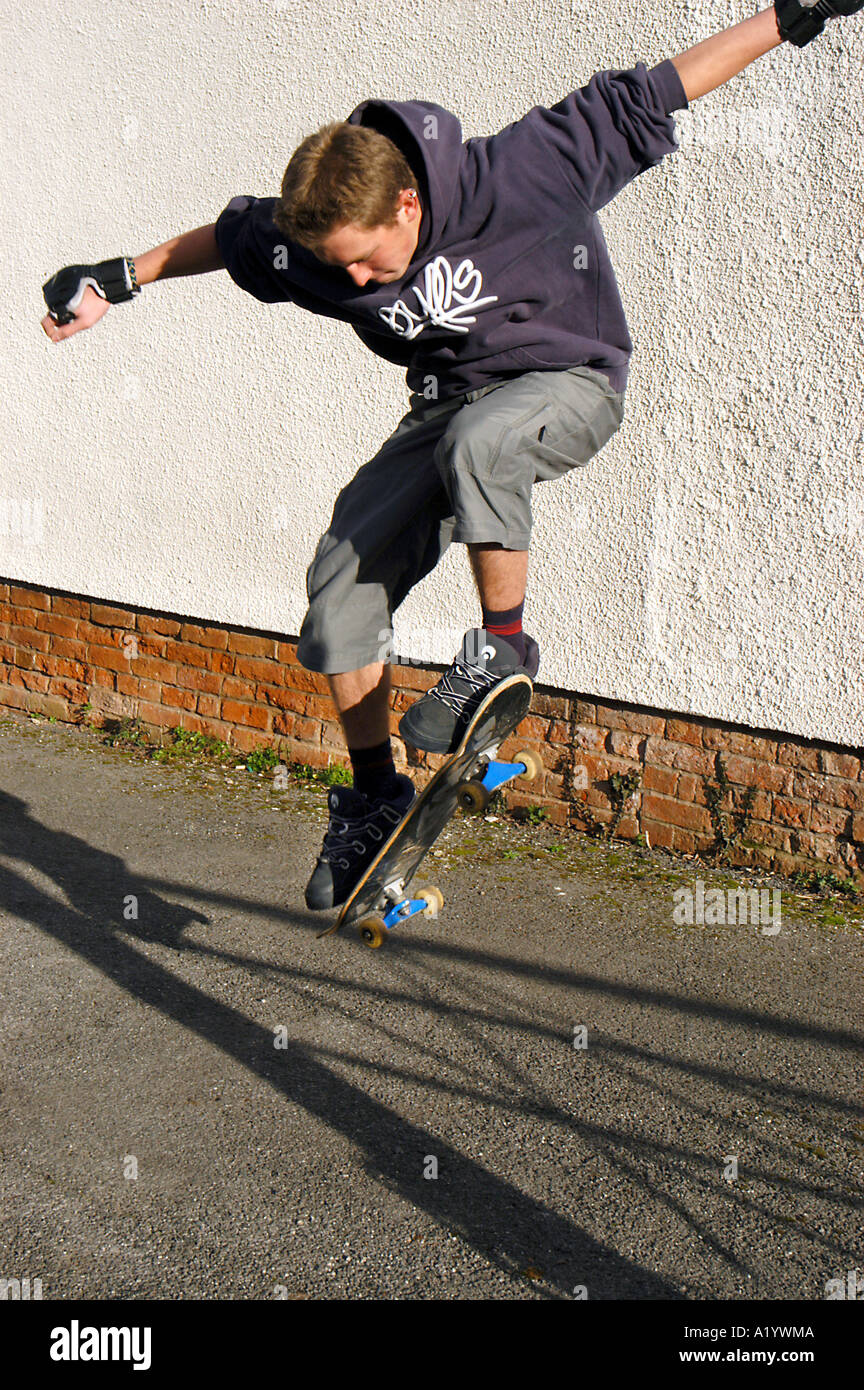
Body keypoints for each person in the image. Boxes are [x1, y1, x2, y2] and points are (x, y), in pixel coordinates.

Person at [42, 2, 862, 911]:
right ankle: (371, 789)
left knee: (486, 441)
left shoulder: (522, 169)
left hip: (569, 383)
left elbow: (660, 88)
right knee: (337, 583)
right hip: (443, 410)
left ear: (407, 200)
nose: (352, 283)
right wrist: (117, 280)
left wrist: (796, 15)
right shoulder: (313, 243)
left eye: (366, 261)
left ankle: (503, 649)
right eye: (337, 268)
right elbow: (229, 239)